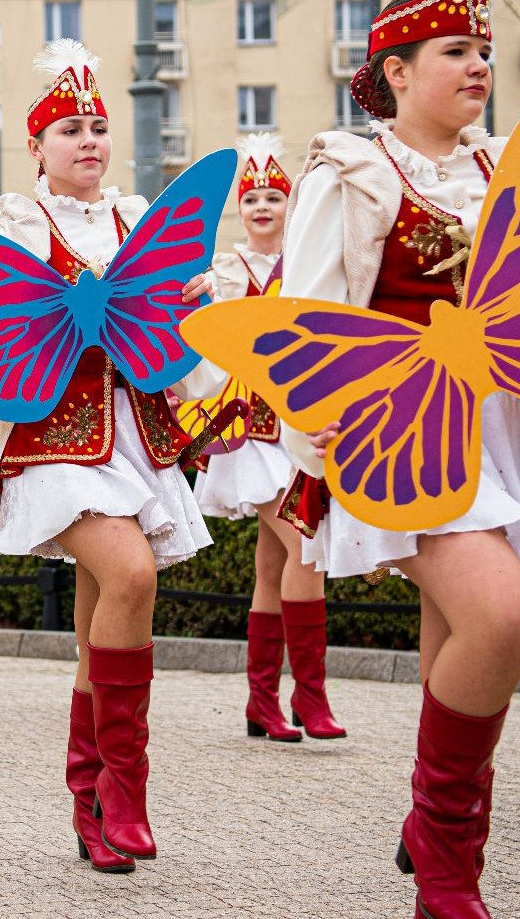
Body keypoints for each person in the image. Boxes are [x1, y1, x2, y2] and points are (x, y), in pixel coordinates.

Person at [278, 0, 520, 916]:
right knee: (502, 614)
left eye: (481, 48)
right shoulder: (352, 172)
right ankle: (444, 857)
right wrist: (323, 452)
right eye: (452, 51)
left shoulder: (503, 170)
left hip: (497, 430)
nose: (477, 64)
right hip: (393, 433)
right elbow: (309, 320)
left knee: (456, 634)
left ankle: (433, 835)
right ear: (391, 72)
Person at [0, 39, 222, 873]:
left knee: (105, 609)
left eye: (98, 126)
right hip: (50, 440)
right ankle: (127, 786)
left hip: (133, 432)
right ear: (36, 147)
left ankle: (90, 796)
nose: (89, 140)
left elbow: (172, 333)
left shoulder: (139, 219)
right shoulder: (13, 226)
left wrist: (194, 316)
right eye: (70, 128)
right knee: (132, 575)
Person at [190, 135, 343, 742]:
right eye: (250, 196)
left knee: (272, 562)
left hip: (297, 429)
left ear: (290, 206)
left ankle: (262, 702)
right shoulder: (220, 271)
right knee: (305, 543)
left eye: (273, 196)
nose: (261, 206)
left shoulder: (307, 267)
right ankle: (311, 696)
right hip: (242, 430)